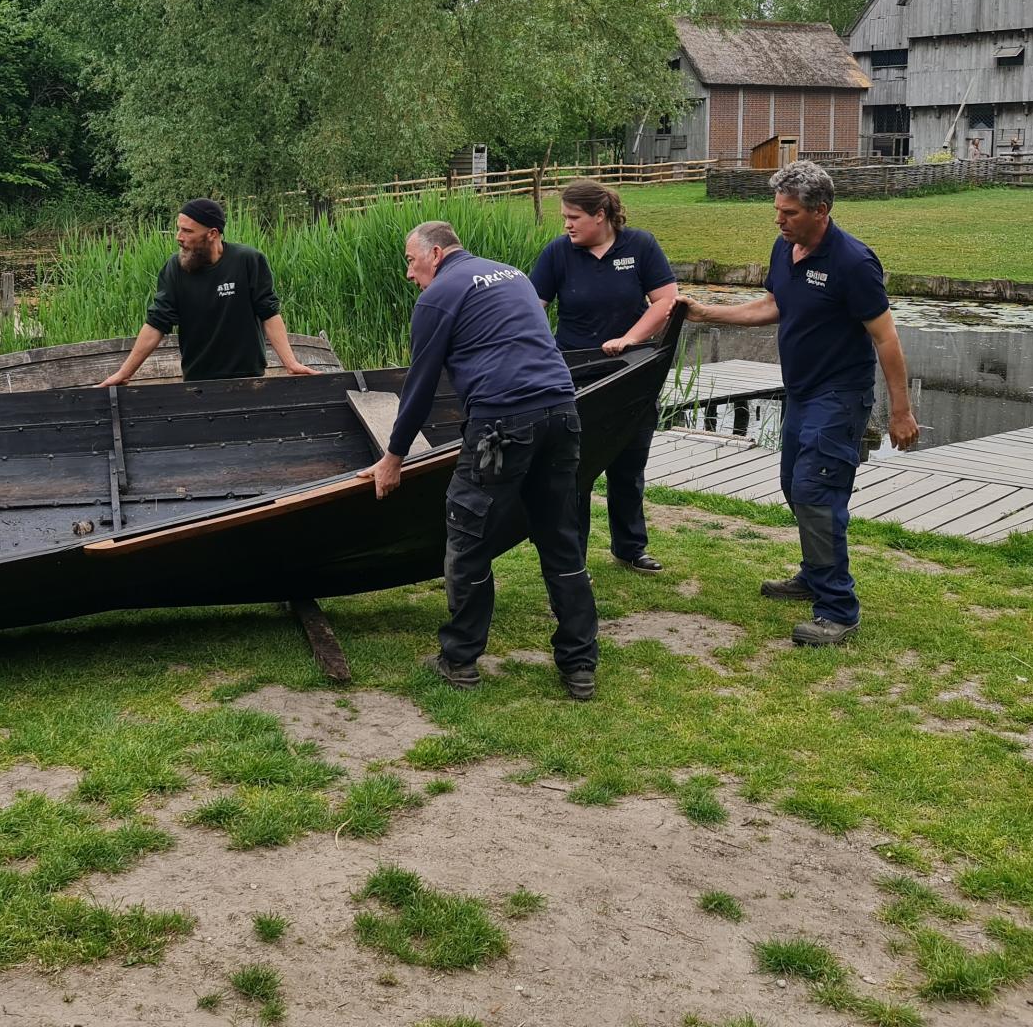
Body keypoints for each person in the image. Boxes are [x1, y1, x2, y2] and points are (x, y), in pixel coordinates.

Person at [360, 221, 598, 701]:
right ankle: (579, 666)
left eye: (411, 260)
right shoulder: (512, 275)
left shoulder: (438, 295)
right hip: (563, 414)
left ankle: (460, 659)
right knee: (560, 539)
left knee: (468, 539)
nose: (409, 273)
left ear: (436, 253)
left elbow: (421, 386)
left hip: (501, 427)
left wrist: (394, 457)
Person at [683, 161, 919, 646]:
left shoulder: (853, 263)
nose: (779, 221)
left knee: (817, 492)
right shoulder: (786, 248)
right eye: (777, 211)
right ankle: (814, 574)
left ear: (821, 211)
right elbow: (775, 305)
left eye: (788, 212)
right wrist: (708, 312)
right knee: (796, 486)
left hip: (840, 395)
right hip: (802, 391)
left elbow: (887, 339)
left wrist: (901, 411)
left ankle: (838, 608)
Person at [530, 178, 679, 573]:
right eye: (565, 217)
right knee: (573, 468)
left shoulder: (641, 246)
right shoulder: (558, 254)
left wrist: (630, 338)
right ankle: (572, 558)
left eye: (574, 217)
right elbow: (531, 307)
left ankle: (630, 547)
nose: (567, 225)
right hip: (573, 376)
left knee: (629, 464)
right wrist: (542, 352)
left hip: (632, 373)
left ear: (600, 216)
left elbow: (666, 301)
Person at [97, 198, 319, 386]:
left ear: (212, 233)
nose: (178, 237)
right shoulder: (174, 269)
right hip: (197, 382)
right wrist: (124, 373)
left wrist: (291, 364)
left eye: (187, 231)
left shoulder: (248, 261)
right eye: (178, 228)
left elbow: (269, 313)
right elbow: (156, 324)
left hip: (250, 379)